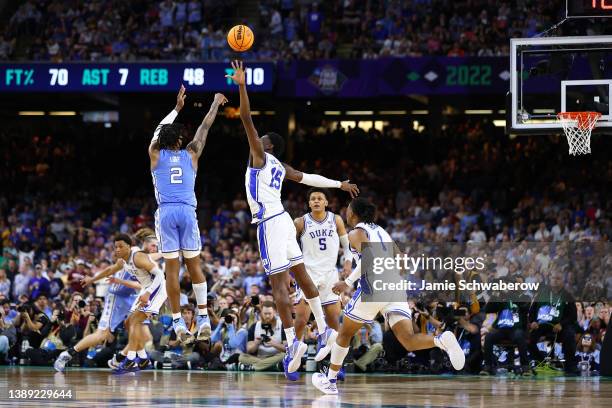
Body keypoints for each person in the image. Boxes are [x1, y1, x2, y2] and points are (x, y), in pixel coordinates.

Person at [226, 60, 359, 379]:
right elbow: (308, 176)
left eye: (260, 140)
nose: (254, 143)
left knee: (278, 284)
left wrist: (242, 85)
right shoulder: (281, 167)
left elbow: (245, 118)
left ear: (266, 145)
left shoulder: (260, 156)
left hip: (270, 222)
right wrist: (339, 184)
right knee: (302, 278)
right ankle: (326, 333)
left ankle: (292, 342)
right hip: (285, 219)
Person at [312, 198, 465, 395]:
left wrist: (347, 283)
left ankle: (330, 381)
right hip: (394, 285)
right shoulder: (381, 231)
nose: (346, 213)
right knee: (408, 339)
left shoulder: (356, 232)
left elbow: (369, 259)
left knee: (345, 333)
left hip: (375, 285)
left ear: (353, 214)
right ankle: (441, 340)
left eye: (347, 210)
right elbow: (401, 257)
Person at [149, 85, 227, 343]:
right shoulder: (191, 154)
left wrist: (176, 109)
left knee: (172, 270)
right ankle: (203, 317)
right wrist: (215, 103)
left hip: (167, 213)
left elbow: (158, 131)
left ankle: (178, 323)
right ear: (181, 141)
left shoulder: (155, 153)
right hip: (187, 211)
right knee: (194, 266)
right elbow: (204, 128)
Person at [292, 188, 351, 379]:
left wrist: (348, 263)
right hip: (308, 273)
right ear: (309, 203)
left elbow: (347, 247)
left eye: (320, 198)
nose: (316, 201)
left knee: (334, 321)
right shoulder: (300, 222)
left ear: (326, 202)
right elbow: (288, 247)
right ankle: (291, 356)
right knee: (301, 319)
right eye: (313, 199)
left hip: (329, 274)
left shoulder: (336, 220)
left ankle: (335, 366)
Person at [53, 257, 127, 372]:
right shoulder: (129, 259)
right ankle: (68, 353)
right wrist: (92, 279)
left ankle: (123, 360)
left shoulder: (147, 261)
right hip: (118, 300)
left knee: (140, 331)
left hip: (133, 299)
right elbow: (110, 270)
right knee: (100, 335)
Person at [528, 270, 578, 375]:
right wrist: (532, 321)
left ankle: (570, 367)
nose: (555, 281)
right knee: (527, 339)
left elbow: (573, 316)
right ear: (550, 280)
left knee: (569, 335)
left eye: (558, 279)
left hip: (559, 325)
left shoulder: (567, 296)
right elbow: (532, 310)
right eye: (553, 278)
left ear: (563, 281)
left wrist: (561, 324)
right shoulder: (541, 293)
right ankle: (542, 362)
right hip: (541, 324)